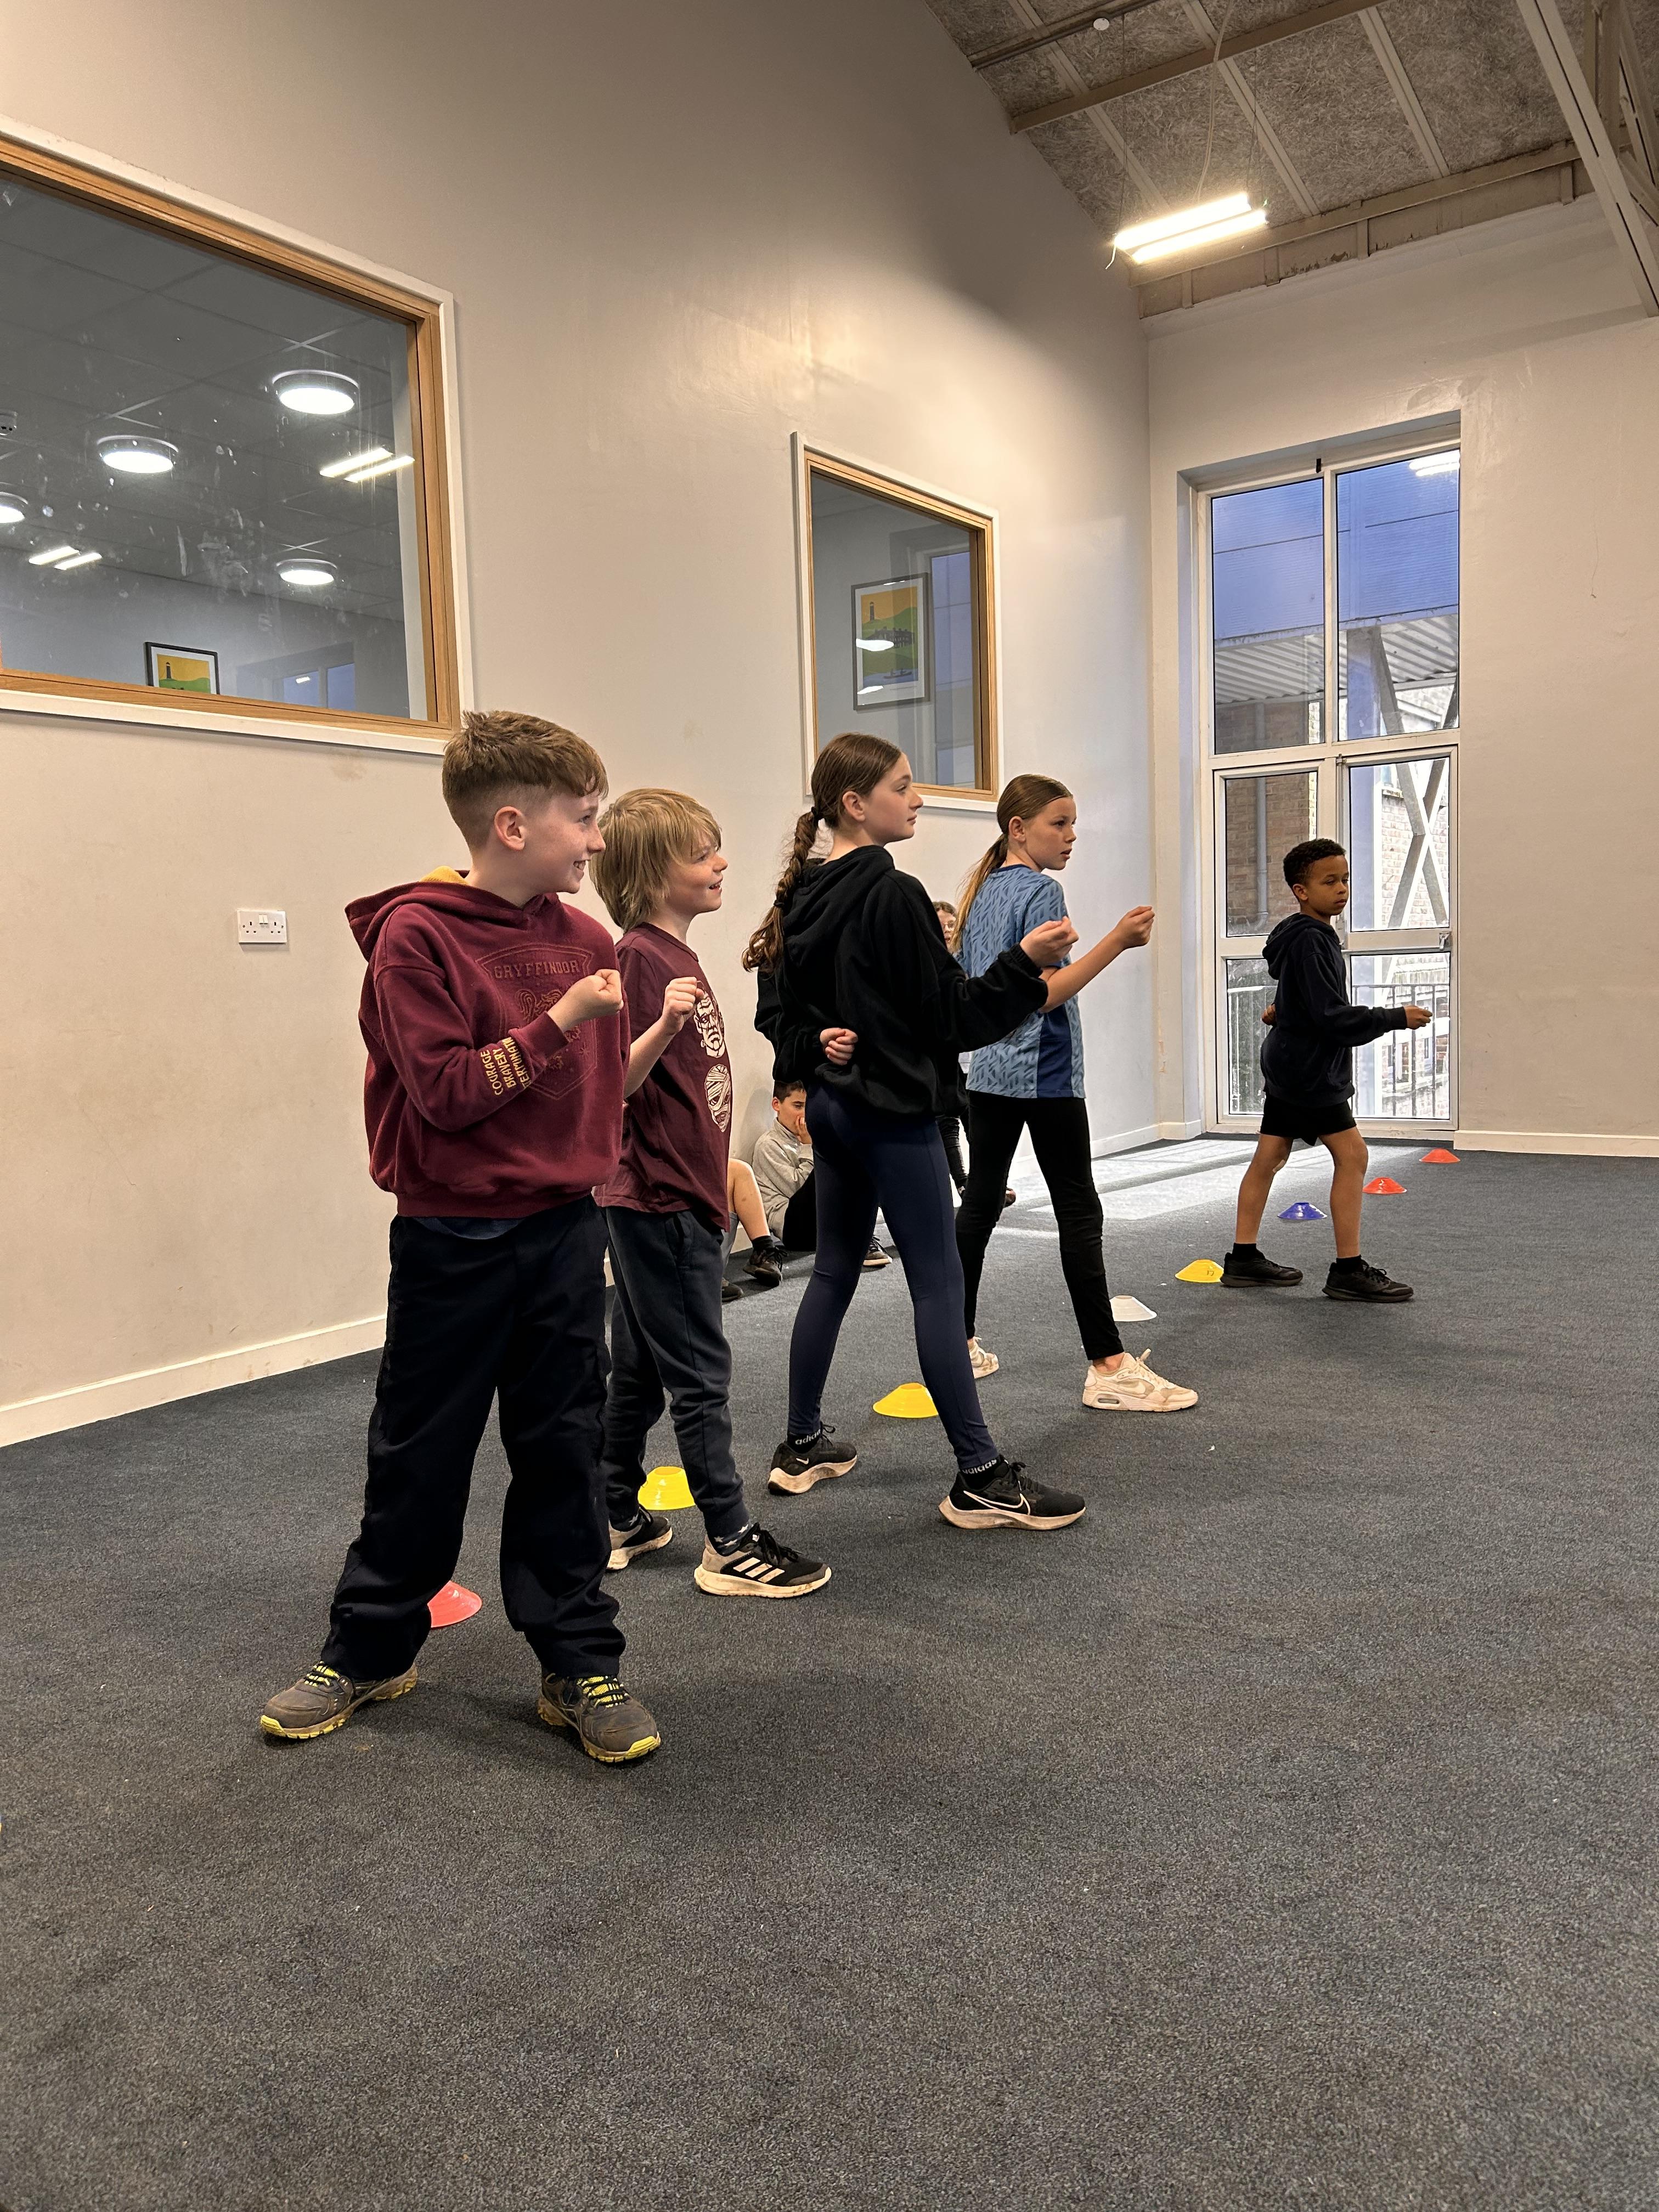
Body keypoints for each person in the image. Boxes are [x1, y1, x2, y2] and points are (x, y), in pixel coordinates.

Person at [260, 709, 661, 1764]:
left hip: (564, 1234)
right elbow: (445, 1095)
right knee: (420, 1446)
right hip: (452, 1235)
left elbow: (597, 1098)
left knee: (562, 1447)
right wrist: (560, 1020)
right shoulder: (416, 937)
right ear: (514, 825)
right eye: (584, 818)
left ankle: (577, 1660)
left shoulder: (588, 941)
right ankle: (368, 1648)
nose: (598, 839)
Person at [744, 731, 1088, 1534]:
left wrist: (816, 1046)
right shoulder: (893, 893)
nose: (919, 797)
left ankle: (801, 1442)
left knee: (834, 1270)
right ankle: (980, 1476)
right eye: (902, 786)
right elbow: (953, 1019)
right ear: (855, 804)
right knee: (937, 1284)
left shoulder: (799, 896)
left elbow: (778, 1021)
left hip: (834, 1110)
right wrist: (1024, 961)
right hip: (892, 1115)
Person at [591, 788, 830, 1598]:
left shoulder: (677, 955)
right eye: (702, 854)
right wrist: (660, 1026)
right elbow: (612, 1084)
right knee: (698, 1374)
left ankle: (611, 1514)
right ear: (653, 873)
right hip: (658, 1198)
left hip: (681, 1194)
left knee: (640, 1371)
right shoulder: (638, 958)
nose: (722, 862)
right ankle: (728, 1540)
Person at [952, 775, 1197, 1413]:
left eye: (1073, 823)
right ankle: (1109, 1365)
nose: (1071, 836)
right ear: (1018, 828)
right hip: (1043, 1071)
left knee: (980, 1204)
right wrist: (1118, 941)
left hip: (989, 1071)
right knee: (1079, 1211)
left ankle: (957, 1342)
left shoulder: (983, 891)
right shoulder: (1041, 890)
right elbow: (1044, 994)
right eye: (1058, 823)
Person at [1223, 838, 1428, 1301]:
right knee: (1353, 1156)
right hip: (1309, 1070)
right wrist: (1395, 1017)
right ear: (1301, 891)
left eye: (1345, 879)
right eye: (1329, 881)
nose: (1341, 889)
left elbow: (1305, 997)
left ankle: (1243, 1258)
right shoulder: (1313, 940)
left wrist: (1284, 1010)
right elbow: (1331, 1016)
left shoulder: (1300, 936)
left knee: (1270, 1156)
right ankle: (1348, 1269)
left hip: (1291, 1061)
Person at [752, 1078, 819, 1251]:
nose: (805, 1114)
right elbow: (797, 1189)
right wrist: (808, 1146)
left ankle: (863, 1236)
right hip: (793, 1227)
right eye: (798, 1106)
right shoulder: (768, 1145)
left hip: (819, 1222)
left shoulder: (808, 1137)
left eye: (808, 1107)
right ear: (777, 1104)